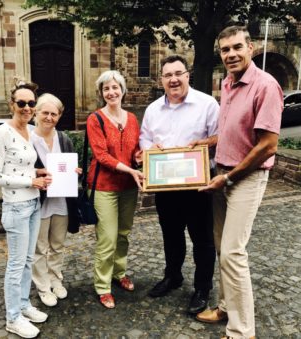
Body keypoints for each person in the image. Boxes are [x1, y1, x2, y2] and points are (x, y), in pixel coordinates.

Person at [195, 26, 283, 339]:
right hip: (223, 173)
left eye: (236, 48)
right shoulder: (228, 83)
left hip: (244, 177)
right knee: (222, 248)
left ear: (251, 47)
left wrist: (228, 178)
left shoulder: (266, 86)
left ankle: (243, 331)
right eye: (225, 50)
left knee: (233, 252)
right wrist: (207, 142)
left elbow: (267, 145)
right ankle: (225, 307)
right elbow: (235, 131)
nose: (231, 54)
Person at [139, 55, 219, 315]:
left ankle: (202, 288)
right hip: (166, 187)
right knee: (171, 236)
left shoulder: (207, 104)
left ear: (187, 75)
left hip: (198, 187)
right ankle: (173, 277)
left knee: (203, 240)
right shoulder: (152, 110)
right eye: (167, 75)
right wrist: (152, 149)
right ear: (161, 80)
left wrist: (205, 144)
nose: (173, 79)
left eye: (178, 73)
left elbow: (221, 137)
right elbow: (144, 140)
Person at [0, 79, 52, 339]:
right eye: (22, 103)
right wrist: (30, 180)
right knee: (16, 264)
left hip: (33, 203)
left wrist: (38, 171)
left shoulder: (29, 131)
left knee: (27, 260)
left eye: (31, 103)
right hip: (15, 207)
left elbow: (19, 166)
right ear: (12, 104)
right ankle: (12, 318)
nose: (27, 107)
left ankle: (24, 305)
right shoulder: (3, 132)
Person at [87, 70, 144, 309]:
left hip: (128, 187)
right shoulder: (95, 119)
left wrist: (141, 158)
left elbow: (134, 151)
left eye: (115, 87)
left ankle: (119, 273)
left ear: (122, 90)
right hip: (104, 186)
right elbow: (101, 156)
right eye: (106, 89)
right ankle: (102, 285)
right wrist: (130, 170)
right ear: (101, 93)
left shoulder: (131, 119)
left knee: (123, 233)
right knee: (107, 238)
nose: (111, 92)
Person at [31, 93, 82, 307]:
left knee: (58, 245)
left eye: (54, 114)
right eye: (45, 112)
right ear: (36, 113)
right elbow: (21, 170)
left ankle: (55, 279)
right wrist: (37, 175)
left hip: (61, 201)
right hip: (39, 203)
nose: (49, 117)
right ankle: (43, 286)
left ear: (59, 116)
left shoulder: (64, 139)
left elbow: (70, 166)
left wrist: (75, 172)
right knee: (39, 248)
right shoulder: (27, 139)